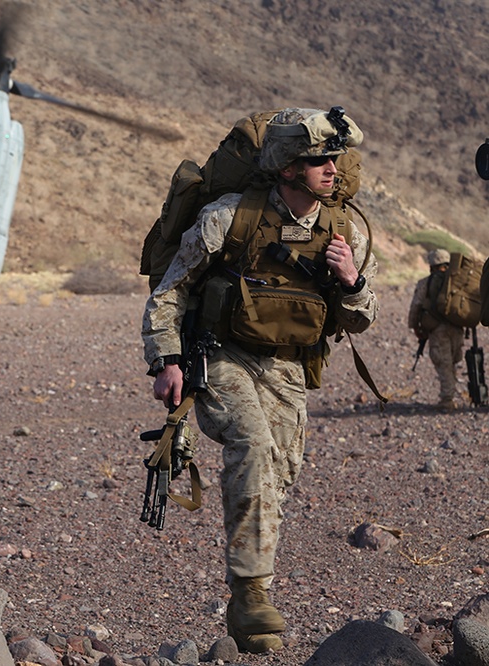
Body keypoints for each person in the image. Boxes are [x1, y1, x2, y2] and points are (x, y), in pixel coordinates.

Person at [141, 107, 379, 654]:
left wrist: (351, 279)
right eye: (318, 159)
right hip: (224, 355)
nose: (331, 168)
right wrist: (167, 362)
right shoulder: (230, 218)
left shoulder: (344, 231)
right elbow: (171, 293)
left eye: (334, 159)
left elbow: (361, 319)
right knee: (251, 444)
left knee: (280, 469)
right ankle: (250, 594)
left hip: (289, 368)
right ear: (288, 168)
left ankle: (252, 591)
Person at [408, 248, 464, 410]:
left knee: (444, 364)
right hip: (457, 327)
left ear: (431, 265)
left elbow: (416, 306)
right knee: (452, 362)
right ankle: (450, 394)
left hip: (437, 330)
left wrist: (414, 327)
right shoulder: (457, 282)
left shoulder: (425, 282)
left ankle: (447, 400)